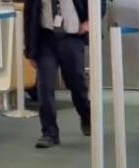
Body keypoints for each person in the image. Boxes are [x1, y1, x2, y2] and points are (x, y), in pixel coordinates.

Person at [23, 0, 105, 149]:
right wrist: (30, 51)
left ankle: (86, 116)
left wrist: (89, 21)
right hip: (46, 40)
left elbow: (100, 3)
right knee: (45, 88)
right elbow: (29, 15)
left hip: (72, 37)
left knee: (76, 84)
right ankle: (49, 133)